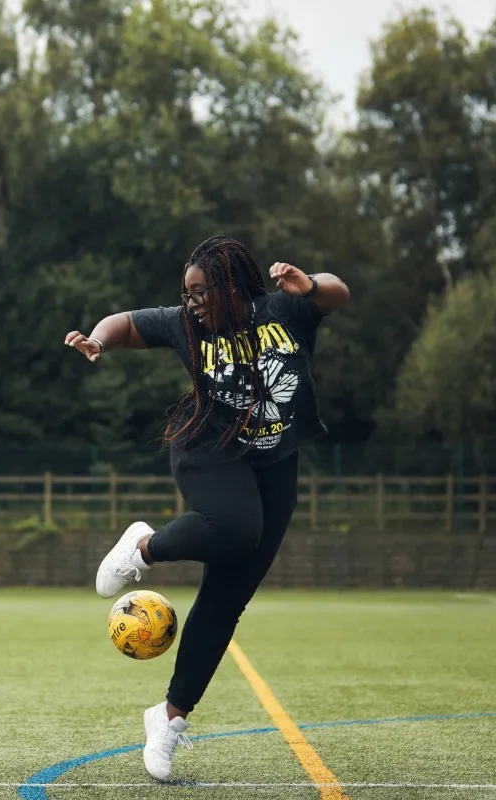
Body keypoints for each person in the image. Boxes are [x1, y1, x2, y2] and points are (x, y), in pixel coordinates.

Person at [63, 235, 349, 781]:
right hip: (207, 448)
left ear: (231, 287)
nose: (191, 303)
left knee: (227, 597)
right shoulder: (187, 326)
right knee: (237, 527)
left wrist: (310, 285)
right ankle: (143, 547)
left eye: (200, 292)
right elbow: (125, 323)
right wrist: (98, 341)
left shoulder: (283, 309)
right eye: (186, 294)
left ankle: (167, 717)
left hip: (275, 462)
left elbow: (338, 295)